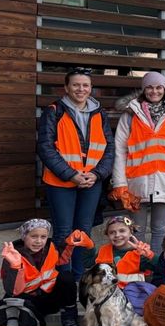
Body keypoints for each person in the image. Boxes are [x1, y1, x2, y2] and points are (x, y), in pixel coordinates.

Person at [37, 68, 113, 280]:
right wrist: (71, 175)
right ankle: (65, 286)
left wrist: (97, 174)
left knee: (83, 235)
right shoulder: (54, 111)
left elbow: (109, 148)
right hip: (61, 183)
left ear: (91, 88)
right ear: (67, 88)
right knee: (64, 235)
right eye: (76, 85)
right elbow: (45, 147)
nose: (81, 89)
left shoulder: (100, 113)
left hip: (91, 182)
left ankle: (79, 282)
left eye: (85, 85)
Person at [110, 71, 165, 252]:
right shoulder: (129, 116)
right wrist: (120, 184)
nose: (155, 91)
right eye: (150, 87)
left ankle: (155, 268)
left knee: (159, 230)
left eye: (159, 87)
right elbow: (119, 152)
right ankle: (136, 269)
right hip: (135, 184)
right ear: (143, 89)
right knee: (136, 231)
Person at [0, 218, 79, 326]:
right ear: (24, 237)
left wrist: (71, 243)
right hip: (28, 301)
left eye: (43, 237)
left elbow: (61, 257)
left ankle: (69, 319)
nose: (39, 241)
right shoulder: (12, 255)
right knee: (13, 300)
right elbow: (11, 290)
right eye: (34, 236)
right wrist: (15, 267)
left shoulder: (50, 248)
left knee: (67, 277)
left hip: (49, 298)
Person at [93, 214, 159, 317]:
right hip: (110, 296)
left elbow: (161, 267)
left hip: (135, 296)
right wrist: (88, 247)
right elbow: (88, 264)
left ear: (131, 232)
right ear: (107, 235)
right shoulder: (103, 251)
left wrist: (149, 255)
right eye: (112, 232)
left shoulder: (139, 252)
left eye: (122, 231)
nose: (117, 235)